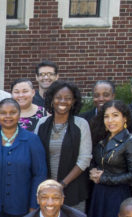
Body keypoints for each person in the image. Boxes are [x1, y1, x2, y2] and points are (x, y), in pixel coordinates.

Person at [87, 100, 132, 217]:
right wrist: (93, 170)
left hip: (117, 196)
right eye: (107, 116)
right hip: (99, 194)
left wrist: (104, 178)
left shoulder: (130, 142)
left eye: (115, 115)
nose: (110, 120)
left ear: (125, 118)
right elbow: (98, 161)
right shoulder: (102, 139)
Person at [35, 81, 92, 210]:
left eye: (68, 98)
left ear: (73, 102)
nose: (63, 101)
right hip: (46, 190)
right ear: (51, 100)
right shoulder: (42, 123)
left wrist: (62, 184)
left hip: (73, 189)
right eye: (58, 97)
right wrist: (49, 186)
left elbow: (84, 159)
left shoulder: (81, 124)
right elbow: (36, 157)